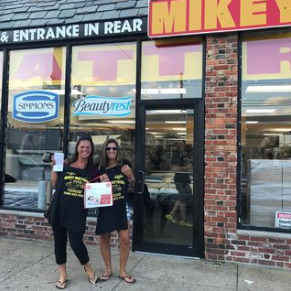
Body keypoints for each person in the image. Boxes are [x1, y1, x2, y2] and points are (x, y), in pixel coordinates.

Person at [48, 135, 100, 289]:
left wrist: (101, 182)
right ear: (77, 148)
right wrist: (54, 167)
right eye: (82, 146)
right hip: (59, 208)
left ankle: (88, 268)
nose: (85, 149)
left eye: (88, 147)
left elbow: (96, 194)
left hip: (77, 211)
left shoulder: (93, 169)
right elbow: (55, 183)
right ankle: (63, 274)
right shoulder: (66, 163)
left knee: (77, 244)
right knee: (59, 243)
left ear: (91, 150)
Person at [95, 138, 136, 284]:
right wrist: (101, 183)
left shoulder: (124, 166)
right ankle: (108, 269)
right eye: (108, 148)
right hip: (105, 208)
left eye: (114, 148)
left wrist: (130, 176)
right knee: (104, 238)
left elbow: (133, 185)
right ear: (104, 150)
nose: (111, 151)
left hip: (122, 205)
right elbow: (92, 191)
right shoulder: (99, 168)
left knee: (125, 239)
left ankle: (122, 271)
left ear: (117, 151)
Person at [165, 141, 193, 227]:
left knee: (184, 197)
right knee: (183, 198)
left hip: (184, 178)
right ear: (176, 146)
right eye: (179, 144)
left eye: (183, 144)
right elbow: (175, 168)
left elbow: (190, 165)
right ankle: (183, 220)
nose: (182, 146)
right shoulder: (176, 155)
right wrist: (186, 167)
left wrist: (188, 167)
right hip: (180, 179)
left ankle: (172, 214)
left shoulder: (183, 154)